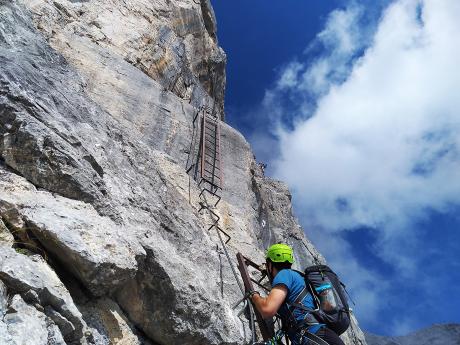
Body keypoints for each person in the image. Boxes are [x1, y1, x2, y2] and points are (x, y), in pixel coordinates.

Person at [249, 243, 345, 345]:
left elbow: (267, 309)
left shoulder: (284, 274)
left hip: (313, 337)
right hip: (321, 337)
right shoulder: (300, 279)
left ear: (269, 264)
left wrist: (255, 296)